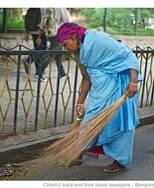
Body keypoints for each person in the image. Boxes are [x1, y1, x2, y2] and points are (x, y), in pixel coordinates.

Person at [56, 22, 142, 173]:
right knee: (90, 121)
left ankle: (119, 160)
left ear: (74, 37)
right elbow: (86, 78)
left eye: (65, 43)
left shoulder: (98, 40)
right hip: (99, 89)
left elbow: (129, 57)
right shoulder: (78, 53)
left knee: (118, 123)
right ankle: (79, 152)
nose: (65, 48)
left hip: (118, 86)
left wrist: (133, 82)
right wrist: (80, 101)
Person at [36, 8, 71, 78]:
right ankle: (39, 72)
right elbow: (68, 21)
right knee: (52, 52)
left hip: (49, 33)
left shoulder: (44, 8)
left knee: (57, 52)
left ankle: (62, 72)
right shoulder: (61, 7)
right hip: (58, 33)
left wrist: (39, 37)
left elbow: (42, 24)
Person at [23, 8, 48, 81]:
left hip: (32, 31)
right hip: (39, 32)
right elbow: (42, 23)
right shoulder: (42, 8)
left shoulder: (31, 8)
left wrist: (27, 32)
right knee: (42, 51)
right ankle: (29, 61)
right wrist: (40, 37)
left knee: (38, 49)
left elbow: (27, 20)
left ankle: (38, 72)